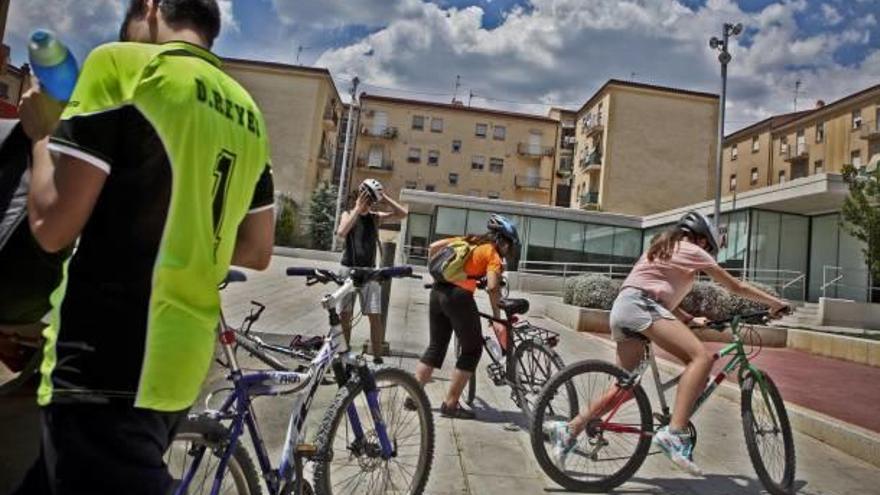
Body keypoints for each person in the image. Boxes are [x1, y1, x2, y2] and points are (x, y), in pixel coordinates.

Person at [13, 1, 275, 493]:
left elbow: (51, 224)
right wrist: (189, 223)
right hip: (180, 365)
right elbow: (258, 248)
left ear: (152, 7)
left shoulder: (122, 64)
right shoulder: (249, 113)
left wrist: (42, 132)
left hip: (107, 357)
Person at [544, 211, 788, 474]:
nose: (706, 250)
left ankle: (569, 431)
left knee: (624, 388)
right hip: (641, 308)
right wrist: (776, 303)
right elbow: (736, 287)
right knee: (701, 359)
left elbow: (657, 293)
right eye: (707, 245)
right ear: (701, 239)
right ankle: (675, 432)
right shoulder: (692, 250)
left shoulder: (662, 248)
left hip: (625, 309)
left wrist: (690, 319)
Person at [412, 214, 519, 419]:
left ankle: (413, 395)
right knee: (472, 349)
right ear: (502, 241)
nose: (508, 251)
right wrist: (496, 318)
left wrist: (453, 271)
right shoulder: (493, 254)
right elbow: (493, 287)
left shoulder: (468, 241)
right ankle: (451, 404)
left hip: (438, 292)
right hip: (458, 298)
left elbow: (433, 246)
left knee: (435, 346)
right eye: (509, 245)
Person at [335, 178, 407, 364]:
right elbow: (342, 232)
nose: (368, 203)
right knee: (345, 315)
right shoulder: (348, 214)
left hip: (369, 272)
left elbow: (402, 213)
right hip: (348, 269)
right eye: (365, 198)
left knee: (375, 316)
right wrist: (358, 209)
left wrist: (384, 198)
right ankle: (344, 356)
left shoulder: (375, 217)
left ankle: (377, 358)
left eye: (370, 200)